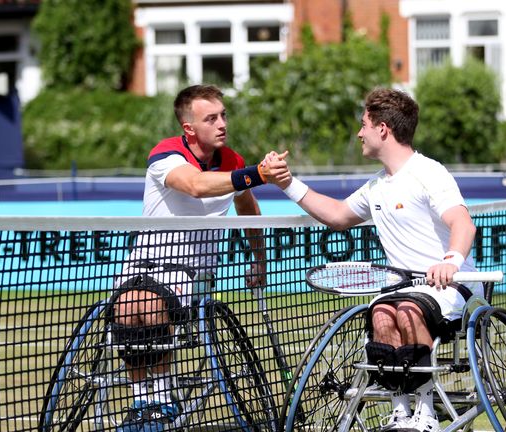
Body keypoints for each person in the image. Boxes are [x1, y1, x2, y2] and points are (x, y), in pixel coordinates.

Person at [267, 87, 478, 432]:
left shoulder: (430, 172)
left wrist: (450, 260)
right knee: (380, 313)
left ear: (383, 129)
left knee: (408, 309)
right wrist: (287, 183)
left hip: (451, 286)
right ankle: (400, 411)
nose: (359, 132)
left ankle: (425, 412)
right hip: (402, 290)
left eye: (364, 124)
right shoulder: (377, 186)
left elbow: (462, 223)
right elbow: (337, 215)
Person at [111, 84, 289, 432]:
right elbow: (196, 185)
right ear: (189, 128)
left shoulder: (232, 161)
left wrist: (260, 259)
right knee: (128, 309)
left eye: (223, 115)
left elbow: (247, 206)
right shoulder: (166, 155)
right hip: (142, 263)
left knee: (145, 306)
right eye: (211, 118)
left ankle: (162, 399)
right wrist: (257, 173)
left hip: (191, 272)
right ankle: (140, 400)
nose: (222, 123)